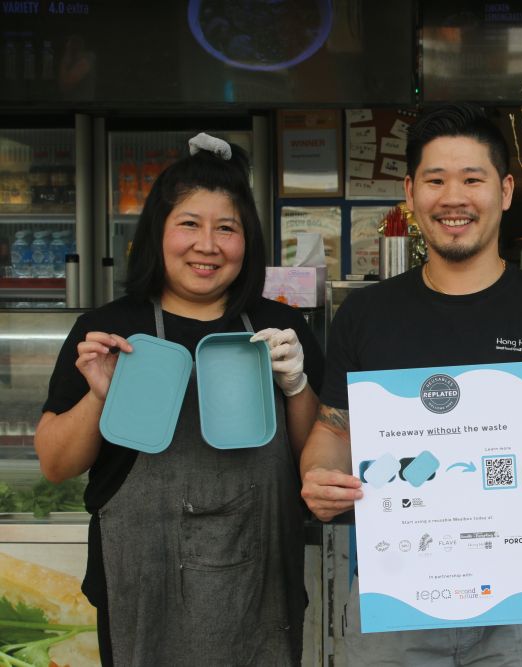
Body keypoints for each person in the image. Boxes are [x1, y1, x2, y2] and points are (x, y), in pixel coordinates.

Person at [299, 103, 522, 665]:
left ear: (506, 191)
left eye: (473, 178)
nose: (454, 197)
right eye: (435, 180)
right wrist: (317, 475)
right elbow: (334, 429)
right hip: (394, 598)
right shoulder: (365, 316)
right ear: (410, 192)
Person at [34, 133, 323, 666]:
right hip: (140, 586)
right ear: (158, 233)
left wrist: (298, 387)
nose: (207, 245)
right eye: (189, 224)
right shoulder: (111, 330)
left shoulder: (279, 329)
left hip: (260, 584)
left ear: (247, 242)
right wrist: (102, 396)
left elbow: (317, 458)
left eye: (226, 228)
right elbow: (55, 464)